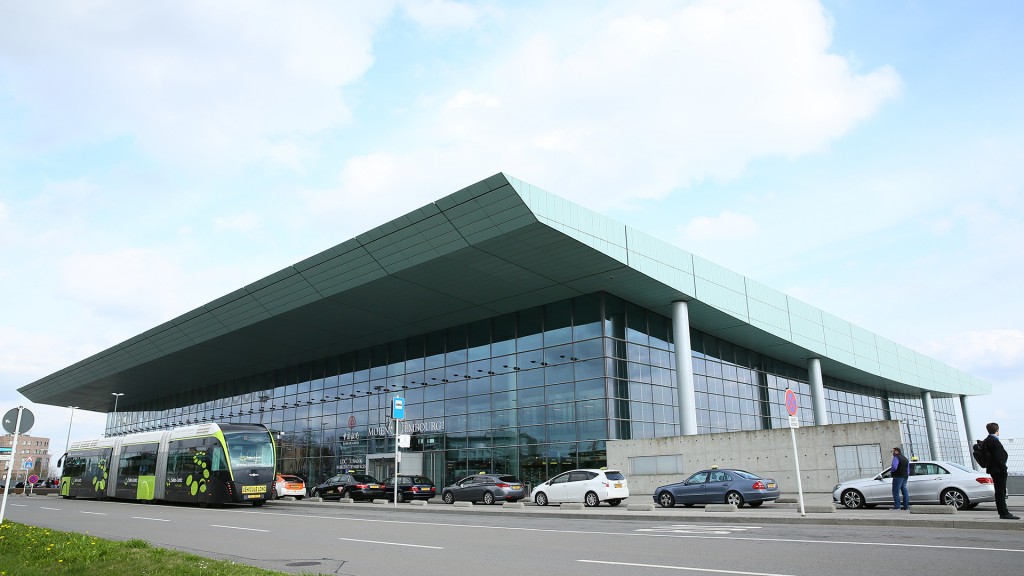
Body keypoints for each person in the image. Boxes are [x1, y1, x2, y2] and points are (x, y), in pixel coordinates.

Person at [983, 422, 1019, 520]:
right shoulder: (994, 441)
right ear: (997, 430)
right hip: (999, 470)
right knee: (1000, 492)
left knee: (999, 491)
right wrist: (1004, 468)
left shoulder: (987, 440)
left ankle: (1003, 512)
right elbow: (997, 457)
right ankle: (1004, 513)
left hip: (993, 469)